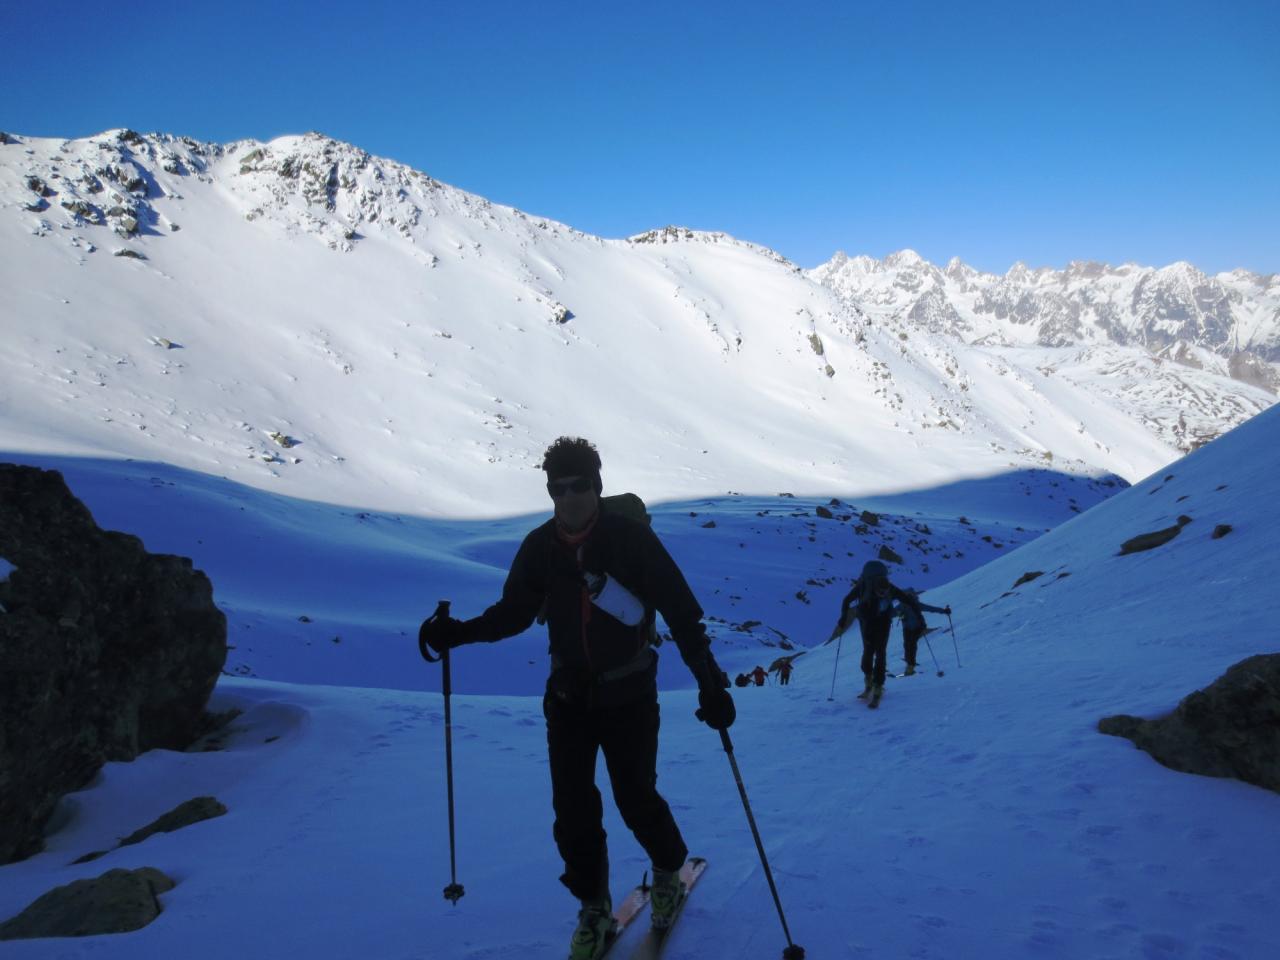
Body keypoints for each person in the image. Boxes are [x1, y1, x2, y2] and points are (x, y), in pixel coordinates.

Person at [420, 437, 736, 960]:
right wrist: (460, 633)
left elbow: (682, 612)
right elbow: (515, 612)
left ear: (597, 485)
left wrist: (709, 682)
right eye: (557, 488)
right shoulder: (540, 546)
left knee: (636, 799)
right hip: (568, 698)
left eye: (579, 486)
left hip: (630, 694)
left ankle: (667, 872)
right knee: (573, 811)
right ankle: (593, 907)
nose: (568, 498)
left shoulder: (631, 541)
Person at [834, 560, 924, 708]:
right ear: (874, 586)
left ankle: (878, 685)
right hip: (866, 622)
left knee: (880, 653)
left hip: (883, 623)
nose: (883, 594)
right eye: (880, 592)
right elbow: (846, 600)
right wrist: (843, 617)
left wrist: (919, 617)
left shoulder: (891, 589)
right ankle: (868, 679)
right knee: (868, 652)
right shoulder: (863, 586)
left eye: (885, 592)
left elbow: (909, 600)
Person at [895, 588, 950, 675]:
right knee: (909, 644)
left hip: (914, 628)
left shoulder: (903, 606)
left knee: (910, 644)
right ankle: (909, 664)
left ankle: (910, 665)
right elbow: (930, 608)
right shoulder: (911, 604)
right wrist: (944, 611)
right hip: (913, 627)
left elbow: (889, 614)